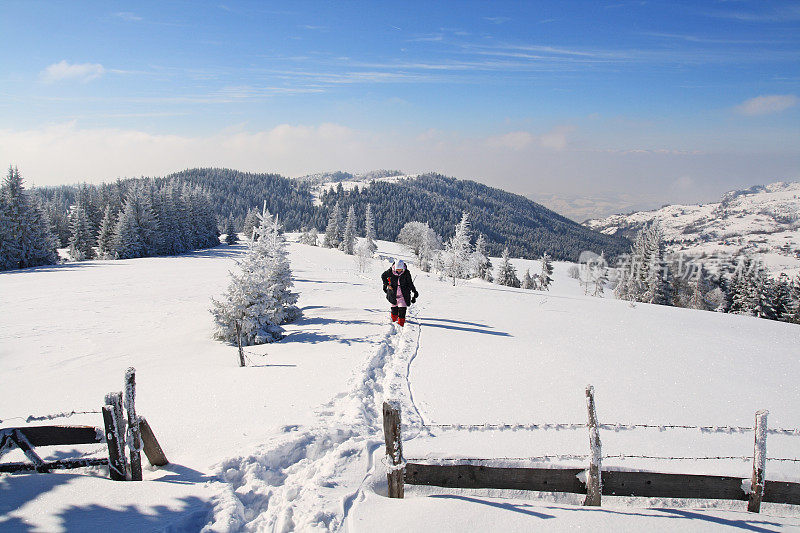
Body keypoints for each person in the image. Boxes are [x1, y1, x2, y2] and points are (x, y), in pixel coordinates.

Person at [381, 259, 419, 327]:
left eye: (400, 269)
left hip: (403, 294)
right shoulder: (390, 271)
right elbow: (383, 276)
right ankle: (393, 323)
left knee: (402, 310)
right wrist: (387, 284)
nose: (399, 271)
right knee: (394, 310)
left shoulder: (406, 273)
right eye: (397, 269)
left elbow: (410, 283)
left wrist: (414, 291)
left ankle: (401, 324)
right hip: (393, 293)